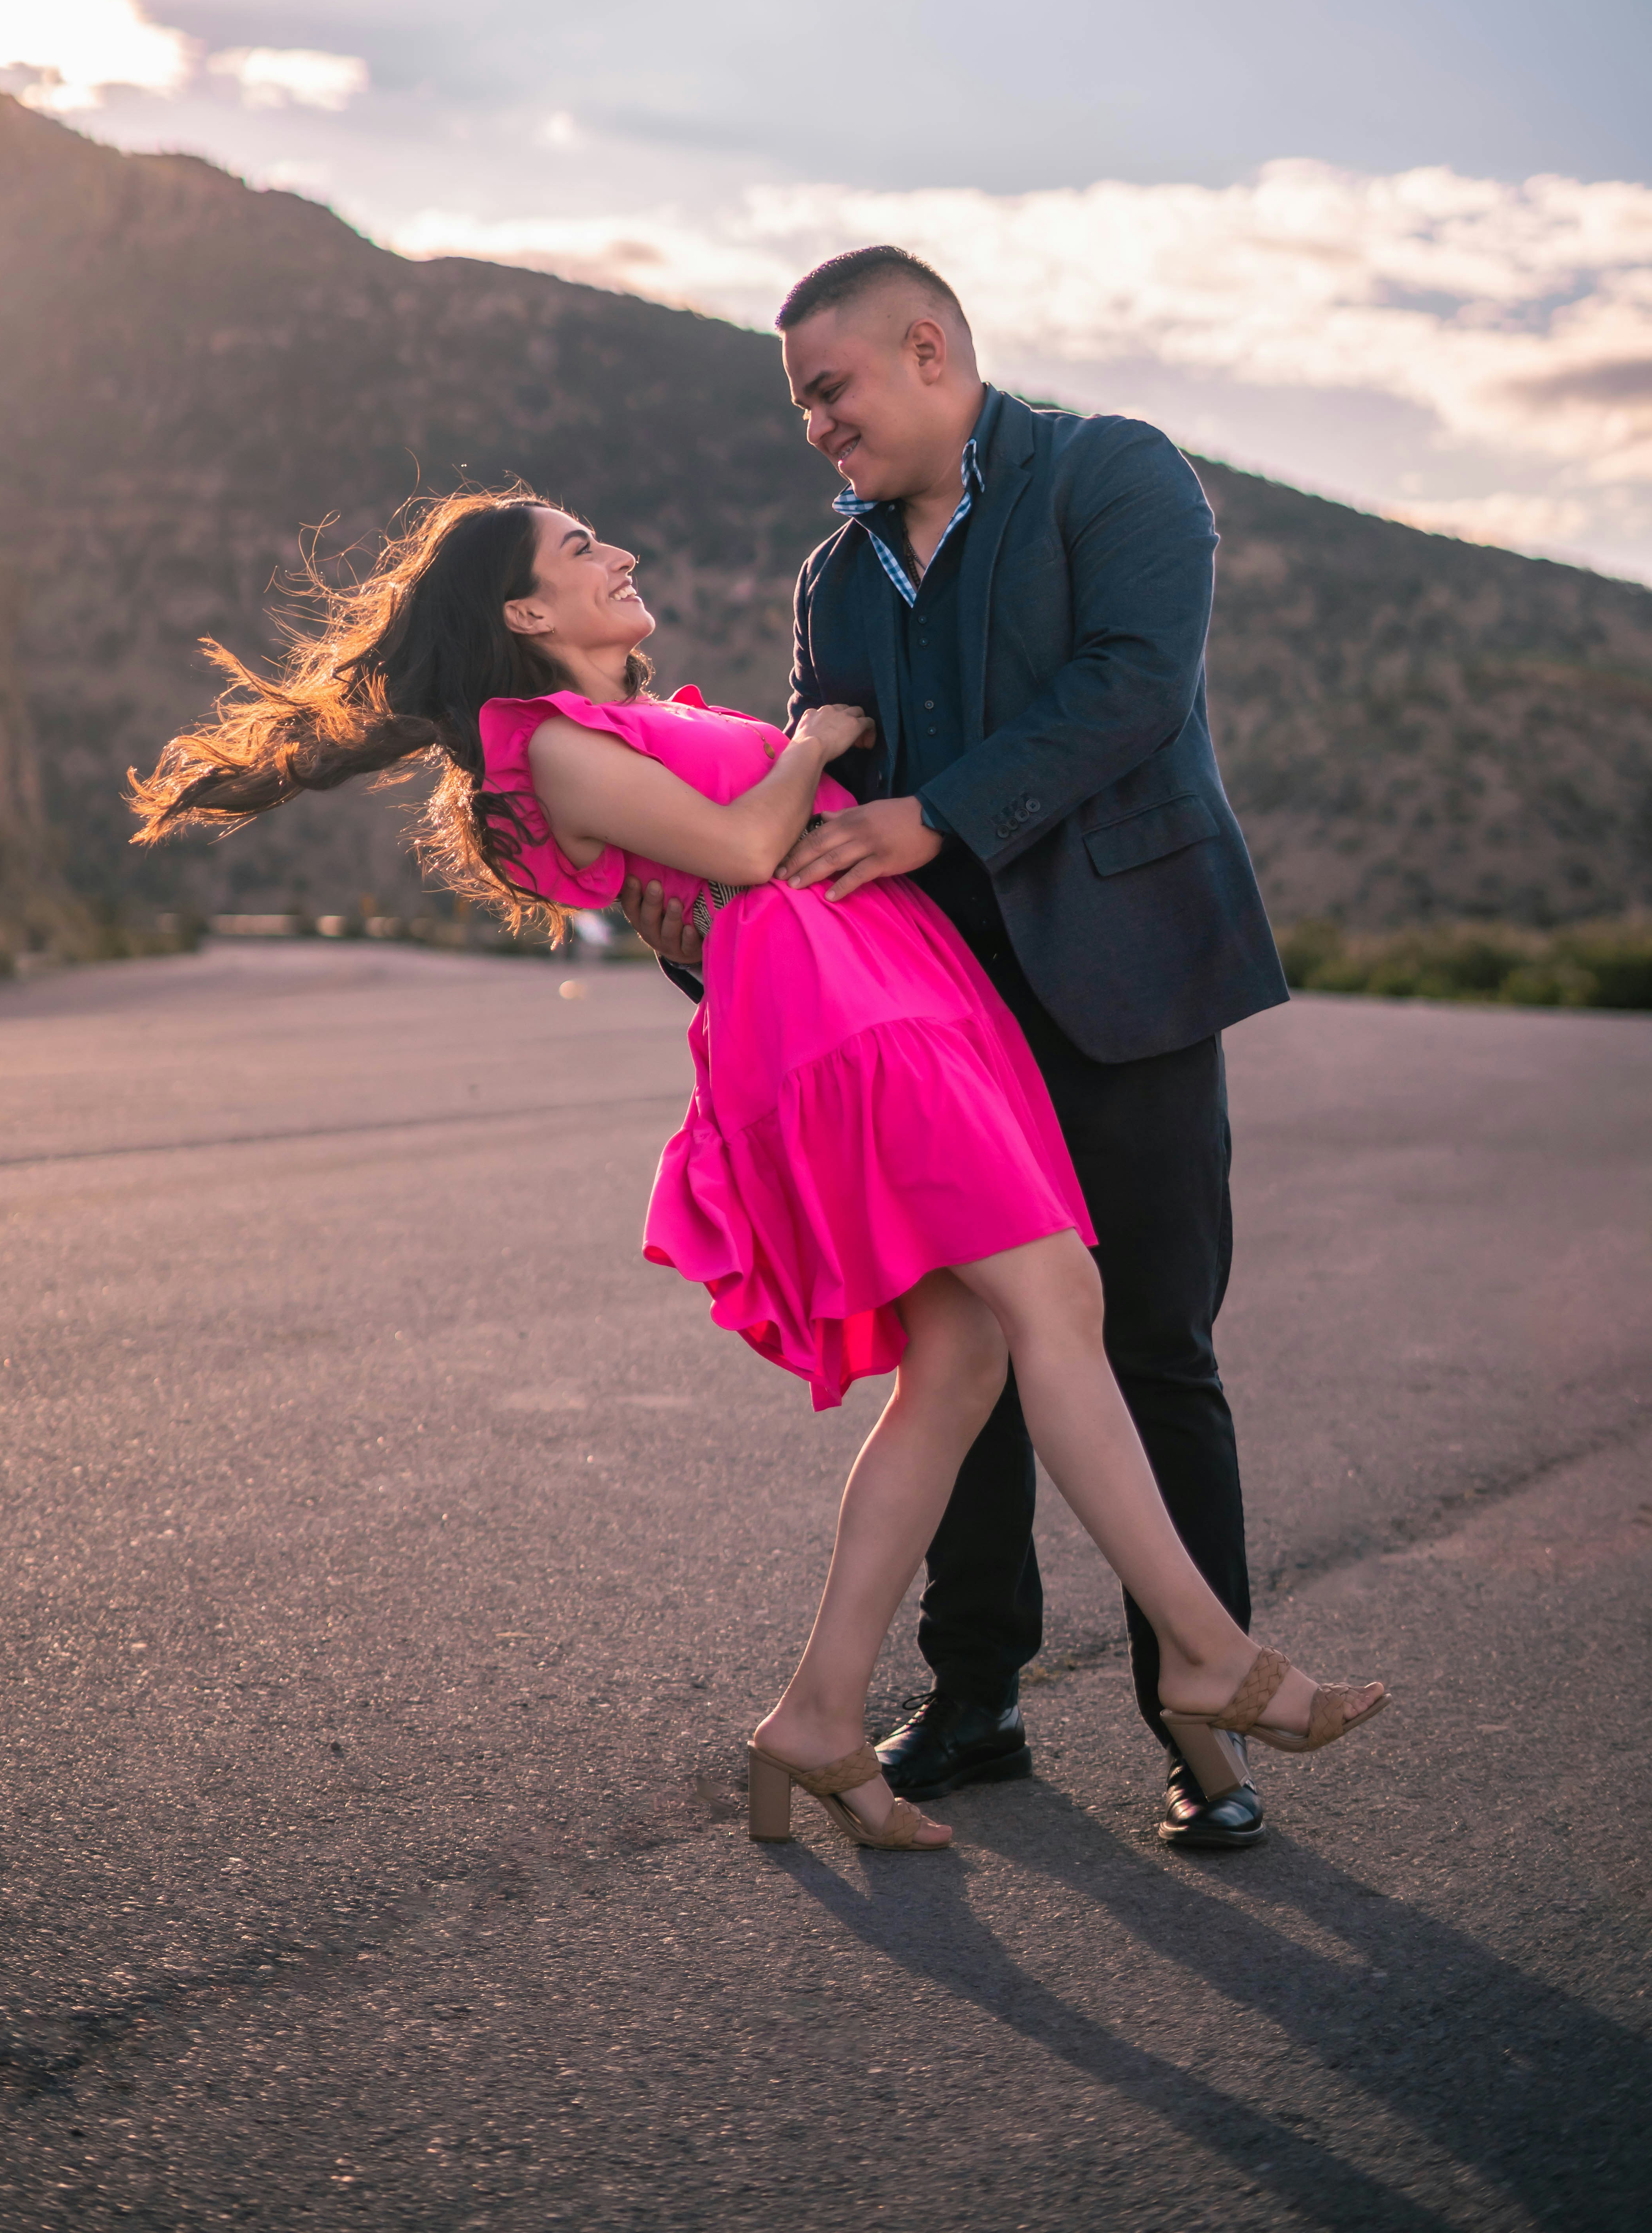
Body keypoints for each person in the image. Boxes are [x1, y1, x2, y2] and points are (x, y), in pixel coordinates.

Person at [130, 488, 1382, 1853]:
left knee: (963, 1363)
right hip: (847, 1028)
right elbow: (737, 850)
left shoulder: (609, 726)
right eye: (581, 550)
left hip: (887, 998)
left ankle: (820, 1717)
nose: (622, 554)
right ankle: (1205, 1654)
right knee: (1060, 1304)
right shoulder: (543, 745)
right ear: (525, 614)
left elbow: (718, 864)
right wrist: (817, 741)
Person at [623, 243, 1292, 1849]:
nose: (815, 430)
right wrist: (715, 920)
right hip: (930, 1025)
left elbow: (1132, 690)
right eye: (802, 407)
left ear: (928, 349)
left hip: (1126, 989)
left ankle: (1198, 1726)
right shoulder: (834, 579)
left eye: (828, 391)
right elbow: (819, 796)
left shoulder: (1117, 473)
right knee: (962, 1360)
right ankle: (973, 1697)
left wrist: (941, 816)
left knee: (1153, 1347)